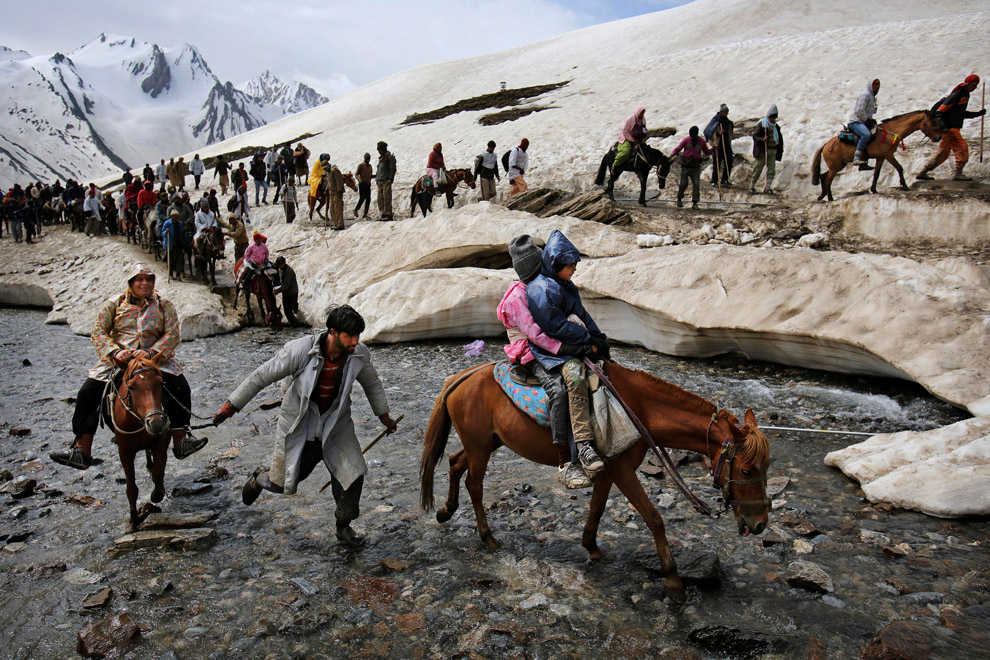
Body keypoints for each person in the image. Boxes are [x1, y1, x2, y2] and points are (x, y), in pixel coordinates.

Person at [212, 305, 399, 548]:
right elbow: (261, 376)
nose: (355, 341)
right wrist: (230, 407)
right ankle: (259, 478)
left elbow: (372, 383)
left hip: (336, 424)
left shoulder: (358, 354)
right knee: (285, 482)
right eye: (349, 336)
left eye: (357, 336)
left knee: (352, 475)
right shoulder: (300, 351)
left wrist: (383, 416)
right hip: (302, 423)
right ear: (333, 332)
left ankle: (343, 527)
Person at [50, 265, 207, 470]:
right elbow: (99, 332)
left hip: (155, 359)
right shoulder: (114, 304)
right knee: (87, 393)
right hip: (120, 361)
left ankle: (181, 438)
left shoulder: (164, 305)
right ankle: (81, 449)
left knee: (180, 387)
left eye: (149, 279)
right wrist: (115, 352)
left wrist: (151, 352)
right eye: (139, 279)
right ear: (131, 282)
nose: (145, 283)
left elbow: (172, 334)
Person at [497, 235, 592, 489]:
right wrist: (567, 346)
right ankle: (564, 463)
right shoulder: (517, 297)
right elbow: (536, 335)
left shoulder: (539, 286)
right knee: (559, 390)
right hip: (530, 351)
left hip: (545, 346)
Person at [526, 230, 608, 479]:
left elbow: (581, 314)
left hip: (573, 341)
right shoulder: (540, 290)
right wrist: (587, 339)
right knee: (576, 378)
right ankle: (583, 445)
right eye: (570, 265)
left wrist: (598, 337)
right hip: (554, 350)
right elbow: (555, 327)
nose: (574, 269)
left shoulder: (565, 285)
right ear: (556, 264)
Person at [917, 74, 986, 181]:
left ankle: (923, 172)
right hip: (950, 128)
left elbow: (959, 113)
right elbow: (940, 111)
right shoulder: (957, 95)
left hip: (950, 128)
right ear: (968, 84)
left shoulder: (965, 94)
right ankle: (958, 174)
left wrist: (977, 114)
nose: (975, 88)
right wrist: (943, 127)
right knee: (962, 148)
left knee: (943, 152)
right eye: (974, 85)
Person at [670, 126, 713, 210]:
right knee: (683, 183)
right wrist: (671, 155)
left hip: (695, 167)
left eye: (694, 137)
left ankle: (695, 202)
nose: (692, 139)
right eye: (691, 137)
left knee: (696, 185)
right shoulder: (686, 140)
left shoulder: (701, 142)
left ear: (697, 135)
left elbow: (706, 151)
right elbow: (678, 148)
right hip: (685, 166)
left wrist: (713, 149)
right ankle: (679, 198)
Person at [848, 78, 881, 169]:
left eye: (878, 85)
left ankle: (864, 160)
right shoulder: (865, 95)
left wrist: (871, 120)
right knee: (866, 134)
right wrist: (867, 120)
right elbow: (860, 110)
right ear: (871, 85)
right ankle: (856, 158)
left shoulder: (872, 96)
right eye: (875, 85)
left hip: (863, 121)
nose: (877, 87)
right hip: (856, 122)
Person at [751, 105, 783, 194]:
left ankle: (768, 187)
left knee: (771, 170)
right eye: (771, 117)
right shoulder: (762, 125)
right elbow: (755, 136)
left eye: (774, 118)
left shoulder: (776, 127)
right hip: (762, 151)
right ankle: (752, 185)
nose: (772, 119)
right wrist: (762, 139)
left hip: (773, 150)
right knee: (758, 168)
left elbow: (779, 140)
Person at [704, 103, 734, 186]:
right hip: (718, 144)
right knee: (717, 162)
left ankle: (725, 179)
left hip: (726, 144)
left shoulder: (728, 122)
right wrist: (718, 133)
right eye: (725, 112)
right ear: (721, 112)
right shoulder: (716, 121)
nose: (726, 114)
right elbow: (708, 132)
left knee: (729, 161)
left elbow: (730, 133)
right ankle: (714, 180)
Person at [613, 106, 647, 171]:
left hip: (638, 138)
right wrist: (632, 140)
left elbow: (644, 128)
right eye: (641, 113)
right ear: (637, 112)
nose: (642, 115)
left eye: (643, 113)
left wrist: (643, 137)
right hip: (626, 137)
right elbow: (624, 131)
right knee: (626, 151)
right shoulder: (630, 119)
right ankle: (615, 164)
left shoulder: (643, 120)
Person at [273, 256, 300, 325]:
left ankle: (296, 321)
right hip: (286, 293)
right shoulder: (280, 269)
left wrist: (277, 290)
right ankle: (294, 323)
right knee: (287, 310)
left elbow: (286, 285)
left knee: (291, 307)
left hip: (292, 292)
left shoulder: (288, 271)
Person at [375, 141, 396, 221]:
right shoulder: (381, 158)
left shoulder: (389, 157)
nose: (379, 152)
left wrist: (390, 178)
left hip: (386, 181)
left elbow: (392, 168)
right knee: (380, 199)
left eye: (380, 150)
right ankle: (383, 213)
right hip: (380, 181)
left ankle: (388, 214)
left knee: (386, 197)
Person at [161, 209, 185, 281]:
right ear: (172, 216)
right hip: (171, 244)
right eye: (175, 216)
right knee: (170, 260)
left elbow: (182, 233)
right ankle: (170, 273)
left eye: (177, 216)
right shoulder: (167, 223)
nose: (176, 218)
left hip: (178, 244)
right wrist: (166, 232)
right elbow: (162, 233)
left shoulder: (180, 224)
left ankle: (178, 274)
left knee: (179, 260)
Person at [328, 159, 345, 230]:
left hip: (337, 193)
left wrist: (339, 191)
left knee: (338, 209)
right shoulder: (328, 172)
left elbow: (339, 182)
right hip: (331, 193)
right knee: (332, 209)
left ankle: (340, 224)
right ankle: (336, 223)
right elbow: (329, 182)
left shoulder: (335, 171)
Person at [354, 153, 373, 218]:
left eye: (368, 159)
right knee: (362, 198)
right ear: (364, 159)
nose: (368, 160)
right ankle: (356, 209)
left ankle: (365, 213)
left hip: (368, 184)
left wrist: (376, 175)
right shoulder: (361, 165)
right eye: (367, 159)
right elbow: (356, 174)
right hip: (362, 184)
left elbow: (370, 175)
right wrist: (359, 179)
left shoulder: (370, 166)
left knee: (368, 199)